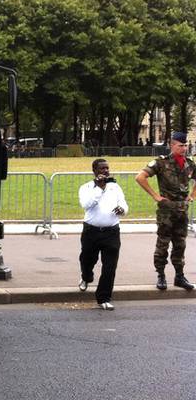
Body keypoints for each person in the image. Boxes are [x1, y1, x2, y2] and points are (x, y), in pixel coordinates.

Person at [135, 131, 196, 291]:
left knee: (180, 244)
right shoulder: (161, 163)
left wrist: (192, 196)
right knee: (163, 243)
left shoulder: (189, 164)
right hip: (166, 212)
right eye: (180, 145)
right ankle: (161, 275)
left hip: (182, 210)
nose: (184, 148)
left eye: (185, 145)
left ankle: (179, 276)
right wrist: (155, 195)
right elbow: (140, 177)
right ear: (172, 145)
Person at [77, 159, 127, 310]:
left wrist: (123, 210)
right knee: (86, 259)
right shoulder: (86, 187)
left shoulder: (115, 187)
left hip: (111, 231)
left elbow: (124, 204)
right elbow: (86, 205)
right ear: (94, 171)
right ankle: (86, 277)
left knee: (110, 266)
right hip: (91, 231)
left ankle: (104, 298)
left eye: (107, 168)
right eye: (102, 169)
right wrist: (99, 188)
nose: (106, 171)